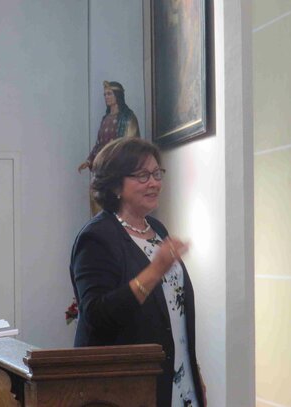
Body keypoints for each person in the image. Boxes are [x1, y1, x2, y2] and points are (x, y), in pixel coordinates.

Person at [70, 137, 206, 407]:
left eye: (157, 174)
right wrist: (155, 270)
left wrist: (193, 371)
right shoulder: (97, 237)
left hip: (177, 380)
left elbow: (174, 313)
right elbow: (97, 315)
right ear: (115, 185)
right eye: (142, 175)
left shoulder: (157, 229)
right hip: (124, 388)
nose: (154, 183)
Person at [78, 81, 140, 173]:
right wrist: (89, 161)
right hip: (103, 166)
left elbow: (132, 144)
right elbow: (99, 144)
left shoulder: (128, 117)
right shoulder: (105, 119)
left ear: (118, 95)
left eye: (109, 94)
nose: (106, 97)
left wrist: (115, 150)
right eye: (105, 95)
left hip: (119, 166)